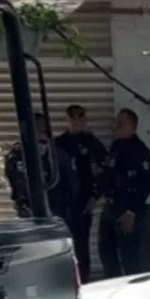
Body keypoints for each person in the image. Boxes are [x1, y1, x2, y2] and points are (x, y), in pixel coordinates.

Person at [98, 108, 150, 278]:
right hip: (110, 209)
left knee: (130, 259)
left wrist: (131, 213)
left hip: (129, 212)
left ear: (132, 126)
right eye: (116, 122)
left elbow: (147, 186)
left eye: (121, 123)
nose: (116, 126)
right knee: (107, 255)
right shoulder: (115, 146)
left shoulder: (140, 151)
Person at [54, 104, 107, 282]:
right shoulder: (58, 144)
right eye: (72, 118)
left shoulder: (93, 144)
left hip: (83, 203)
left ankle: (83, 281)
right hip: (61, 205)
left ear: (85, 120)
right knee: (61, 246)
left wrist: (94, 197)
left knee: (81, 246)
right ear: (66, 120)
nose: (76, 122)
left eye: (79, 118)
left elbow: (104, 172)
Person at [4, 113, 78, 220]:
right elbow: (73, 183)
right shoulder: (58, 153)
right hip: (49, 209)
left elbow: (10, 180)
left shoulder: (15, 153)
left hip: (39, 208)